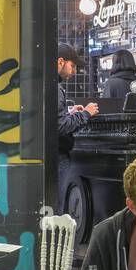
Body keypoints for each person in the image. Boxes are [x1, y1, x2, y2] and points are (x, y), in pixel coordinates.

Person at [56, 44, 98, 211]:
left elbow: (53, 119)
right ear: (60, 62)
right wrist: (86, 114)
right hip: (58, 156)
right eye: (72, 66)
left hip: (52, 155)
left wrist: (69, 112)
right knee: (57, 209)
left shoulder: (47, 84)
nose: (74, 72)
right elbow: (59, 127)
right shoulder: (55, 88)